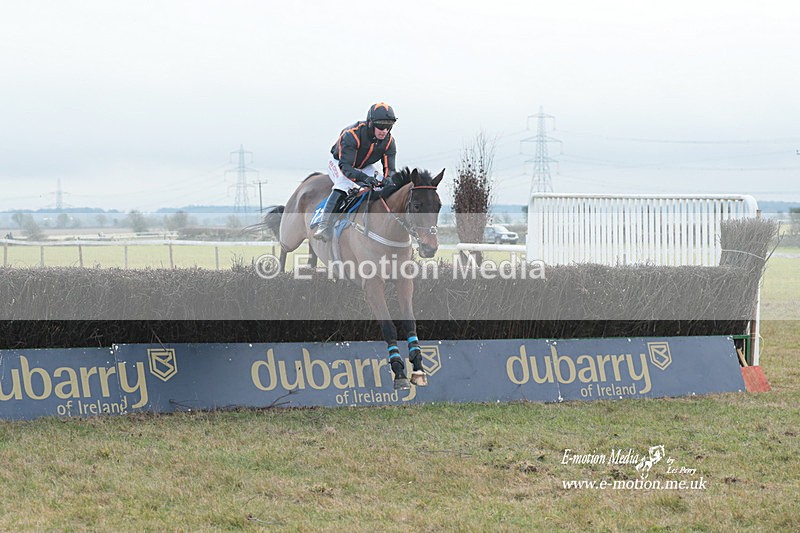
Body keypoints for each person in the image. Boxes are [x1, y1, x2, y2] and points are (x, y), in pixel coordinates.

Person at [312, 102, 398, 241]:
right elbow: (346, 168)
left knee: (387, 184)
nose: (384, 131)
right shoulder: (352, 135)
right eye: (381, 126)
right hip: (339, 163)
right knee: (343, 184)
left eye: (388, 127)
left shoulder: (389, 142)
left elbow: (390, 170)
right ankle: (324, 225)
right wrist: (365, 179)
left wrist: (388, 180)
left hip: (364, 165)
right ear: (370, 123)